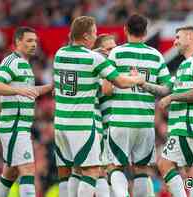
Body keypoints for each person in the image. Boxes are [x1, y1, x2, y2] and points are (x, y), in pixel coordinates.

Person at [53, 16, 144, 197]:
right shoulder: (94, 58)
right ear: (86, 36)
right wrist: (138, 78)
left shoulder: (60, 54)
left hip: (61, 123)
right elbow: (121, 82)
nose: (95, 36)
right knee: (92, 171)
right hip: (83, 124)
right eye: (94, 33)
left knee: (75, 170)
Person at [141, 25, 193, 197]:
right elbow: (166, 90)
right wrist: (142, 83)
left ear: (190, 37)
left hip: (189, 125)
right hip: (191, 126)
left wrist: (172, 98)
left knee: (165, 164)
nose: (175, 43)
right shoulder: (184, 66)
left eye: (178, 38)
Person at [105, 14, 172, 197]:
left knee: (115, 166)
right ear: (146, 31)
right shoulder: (156, 56)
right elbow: (167, 89)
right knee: (141, 169)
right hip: (145, 122)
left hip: (120, 121)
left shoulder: (116, 53)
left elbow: (106, 90)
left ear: (125, 29)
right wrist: (144, 85)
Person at [0, 26, 53, 197]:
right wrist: (19, 91)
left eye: (35, 41)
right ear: (18, 42)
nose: (34, 44)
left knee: (9, 174)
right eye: (29, 40)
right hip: (14, 125)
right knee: (27, 169)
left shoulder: (25, 64)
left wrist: (51, 87)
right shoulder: (10, 61)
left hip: (21, 126)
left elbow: (30, 91)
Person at [93, 33, 117, 197]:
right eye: (109, 49)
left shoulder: (116, 68)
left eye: (115, 49)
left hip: (119, 126)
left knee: (115, 172)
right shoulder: (97, 73)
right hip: (105, 127)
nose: (112, 53)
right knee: (104, 170)